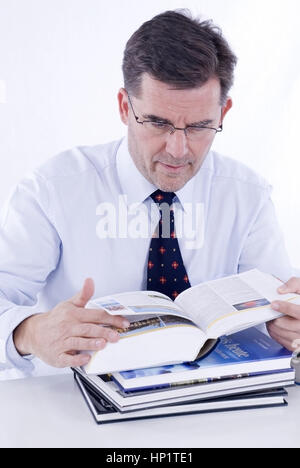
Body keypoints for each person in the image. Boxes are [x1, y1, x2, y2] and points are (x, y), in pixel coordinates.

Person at [0, 10, 298, 380]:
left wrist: (285, 324)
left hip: (211, 411)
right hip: (75, 416)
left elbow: (277, 303)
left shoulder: (247, 196)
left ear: (224, 112)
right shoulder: (53, 189)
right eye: (158, 123)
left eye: (201, 126)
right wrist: (29, 332)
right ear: (126, 107)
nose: (178, 149)